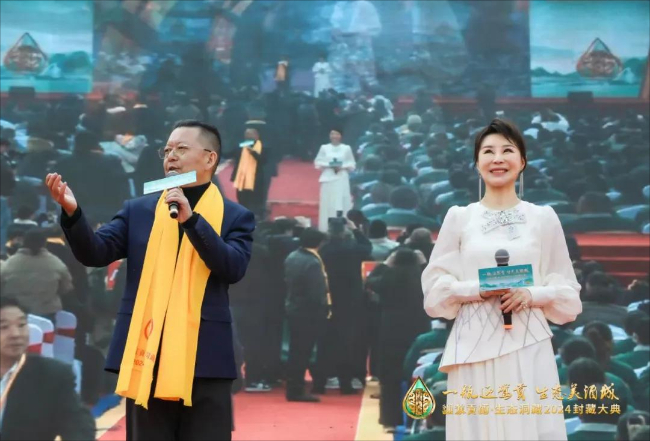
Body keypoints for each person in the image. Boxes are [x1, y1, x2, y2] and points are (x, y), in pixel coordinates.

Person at [45, 119, 255, 440]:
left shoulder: (235, 216)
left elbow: (233, 267)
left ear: (210, 158)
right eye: (167, 150)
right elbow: (96, 253)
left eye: (181, 148)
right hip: (148, 352)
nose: (171, 156)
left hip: (205, 356)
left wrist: (192, 221)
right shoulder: (139, 210)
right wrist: (73, 214)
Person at [421, 118, 582, 440]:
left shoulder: (543, 217)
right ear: (477, 163)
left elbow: (568, 292)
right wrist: (479, 289)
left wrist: (531, 295)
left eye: (507, 151)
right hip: (473, 345)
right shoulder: (459, 217)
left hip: (527, 341)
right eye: (488, 151)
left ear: (522, 161)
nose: (498, 158)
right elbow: (435, 291)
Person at [0, 297, 95, 440]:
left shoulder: (51, 375)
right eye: (3, 327)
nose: (16, 334)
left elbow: (79, 427)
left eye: (21, 325)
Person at [366, 247, 430, 432]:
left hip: (391, 331)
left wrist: (385, 264)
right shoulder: (423, 277)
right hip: (418, 330)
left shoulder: (388, 276)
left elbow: (370, 281)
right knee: (418, 376)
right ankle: (415, 419)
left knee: (389, 378)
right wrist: (424, 264)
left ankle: (389, 421)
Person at [283, 228, 330, 402]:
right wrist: (323, 309)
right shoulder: (313, 262)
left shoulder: (292, 256)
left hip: (294, 307)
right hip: (308, 312)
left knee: (296, 351)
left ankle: (294, 387)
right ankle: (296, 390)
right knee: (303, 352)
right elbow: (316, 292)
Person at [0, 228, 73, 320]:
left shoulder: (8, 264)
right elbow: (66, 288)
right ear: (44, 243)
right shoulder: (56, 264)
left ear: (24, 242)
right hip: (47, 313)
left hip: (16, 313)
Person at [315, 128, 356, 232]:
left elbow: (352, 164)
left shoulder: (346, 148)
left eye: (337, 134)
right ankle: (325, 228)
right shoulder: (324, 148)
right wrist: (330, 165)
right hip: (328, 177)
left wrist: (341, 166)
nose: (334, 136)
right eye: (332, 134)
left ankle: (343, 229)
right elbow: (317, 163)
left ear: (341, 136)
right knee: (328, 203)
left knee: (341, 202)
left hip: (341, 178)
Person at [231, 127, 265, 218]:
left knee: (254, 199)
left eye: (250, 134)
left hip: (255, 178)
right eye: (246, 134)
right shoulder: (241, 146)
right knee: (241, 198)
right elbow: (231, 154)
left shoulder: (263, 146)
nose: (248, 136)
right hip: (241, 177)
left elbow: (263, 160)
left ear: (256, 136)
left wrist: (253, 152)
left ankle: (255, 215)